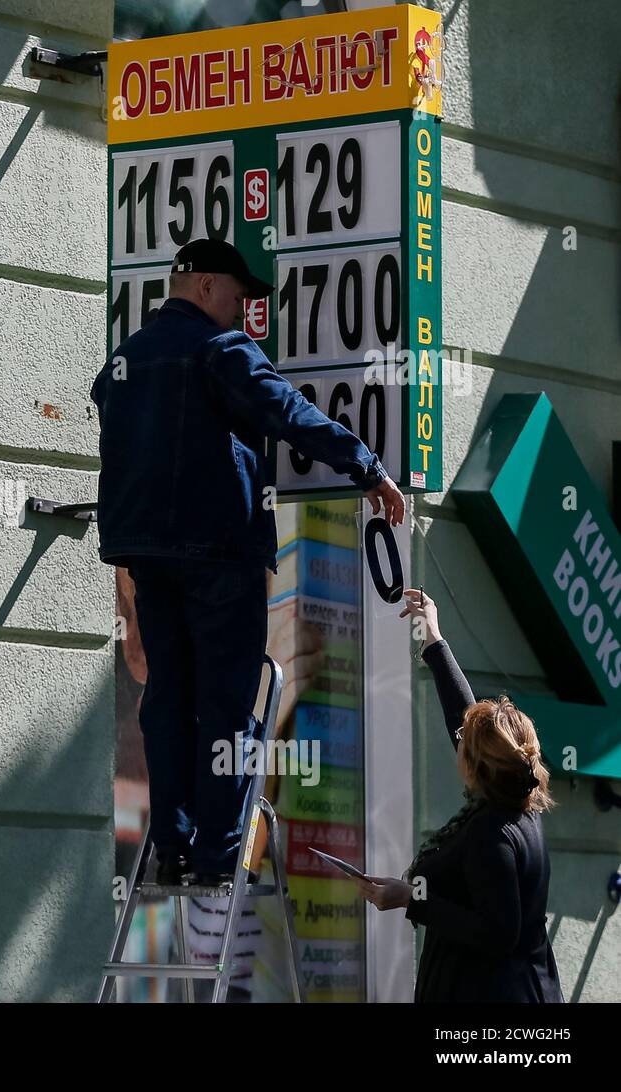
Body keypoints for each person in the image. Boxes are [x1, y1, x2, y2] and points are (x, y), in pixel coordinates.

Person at [89, 238, 405, 887]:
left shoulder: (125, 360)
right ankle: (219, 853)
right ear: (205, 286)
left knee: (168, 698)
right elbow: (286, 412)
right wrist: (366, 466)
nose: (241, 314)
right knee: (228, 704)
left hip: (147, 554)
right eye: (236, 298)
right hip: (219, 551)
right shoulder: (220, 350)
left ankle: (172, 846)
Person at [357, 589, 562, 1003]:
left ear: (476, 766)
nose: (458, 747)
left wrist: (410, 897)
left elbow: (498, 932)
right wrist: (433, 640)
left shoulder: (491, 836)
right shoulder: (517, 798)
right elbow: (463, 717)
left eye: (464, 747)